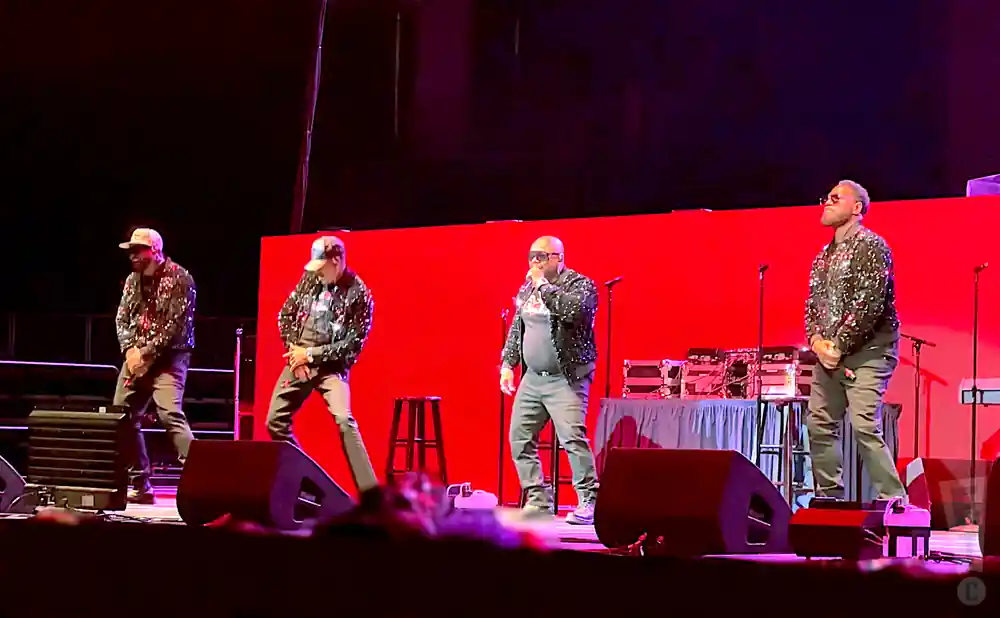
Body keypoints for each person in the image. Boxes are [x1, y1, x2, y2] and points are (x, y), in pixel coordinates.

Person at [805, 180, 906, 500]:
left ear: (857, 208)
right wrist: (817, 340)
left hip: (870, 352)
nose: (828, 201)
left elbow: (869, 303)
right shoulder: (823, 256)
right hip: (830, 355)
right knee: (819, 424)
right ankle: (829, 498)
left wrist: (839, 346)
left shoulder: (871, 245)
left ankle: (896, 503)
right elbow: (812, 305)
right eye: (827, 197)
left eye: (837, 198)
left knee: (864, 425)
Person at [265, 236, 379, 493]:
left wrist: (312, 355)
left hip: (331, 366)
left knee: (343, 419)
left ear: (336, 261)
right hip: (299, 360)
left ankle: (371, 493)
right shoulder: (310, 279)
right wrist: (295, 353)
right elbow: (285, 315)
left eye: (322, 266)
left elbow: (353, 344)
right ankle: (309, 484)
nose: (317, 273)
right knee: (274, 421)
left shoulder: (358, 293)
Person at [500, 236, 600, 524]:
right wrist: (508, 364)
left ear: (558, 257)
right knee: (519, 437)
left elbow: (572, 312)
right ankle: (538, 499)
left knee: (572, 438)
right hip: (533, 379)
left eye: (541, 256)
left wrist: (543, 286)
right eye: (531, 255)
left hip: (566, 379)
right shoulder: (527, 288)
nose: (535, 262)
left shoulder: (581, 285)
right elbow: (517, 327)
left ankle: (588, 502)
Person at [113, 228, 197, 504]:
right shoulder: (132, 280)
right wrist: (129, 352)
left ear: (155, 251)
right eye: (131, 251)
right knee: (122, 416)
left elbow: (173, 327)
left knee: (170, 413)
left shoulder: (180, 279)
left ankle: (201, 479)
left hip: (169, 358)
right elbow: (122, 318)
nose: (133, 256)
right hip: (135, 358)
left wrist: (144, 354)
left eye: (138, 250)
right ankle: (140, 482)